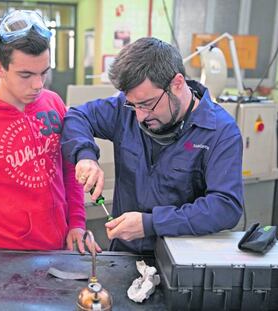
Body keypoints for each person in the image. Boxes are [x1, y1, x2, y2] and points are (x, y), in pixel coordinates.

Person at [0, 10, 95, 294]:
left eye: (43, 73)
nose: (38, 85)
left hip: (60, 246)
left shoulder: (53, 103)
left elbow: (68, 170)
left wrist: (76, 222)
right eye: (26, 74)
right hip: (5, 256)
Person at [61, 37, 244, 254]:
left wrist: (151, 223)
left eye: (147, 105)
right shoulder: (125, 109)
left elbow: (225, 207)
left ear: (177, 84)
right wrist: (85, 156)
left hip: (178, 262)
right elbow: (77, 116)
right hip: (124, 254)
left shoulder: (220, 132)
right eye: (134, 105)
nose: (139, 116)